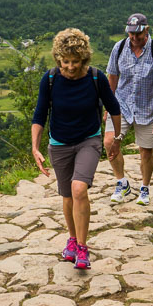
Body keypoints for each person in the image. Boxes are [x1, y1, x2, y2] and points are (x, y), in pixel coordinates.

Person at [31, 29, 121, 270]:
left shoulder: (95, 78)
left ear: (84, 59)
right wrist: (35, 148)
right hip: (59, 144)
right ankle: (72, 239)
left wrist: (116, 138)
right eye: (65, 61)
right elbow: (39, 115)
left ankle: (82, 247)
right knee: (67, 195)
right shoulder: (50, 79)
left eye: (75, 61)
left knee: (79, 188)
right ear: (58, 59)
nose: (70, 67)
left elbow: (114, 108)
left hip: (88, 141)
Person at [104, 13, 153, 207]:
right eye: (131, 34)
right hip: (121, 105)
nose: (134, 38)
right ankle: (122, 182)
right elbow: (112, 77)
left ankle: (144, 188)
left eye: (138, 34)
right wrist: (108, 105)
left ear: (146, 30)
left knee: (145, 151)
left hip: (148, 109)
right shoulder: (119, 48)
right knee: (109, 142)